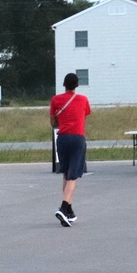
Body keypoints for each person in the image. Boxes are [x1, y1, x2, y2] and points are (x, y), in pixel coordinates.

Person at [50, 72, 91, 226]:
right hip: (77, 137)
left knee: (66, 174)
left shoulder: (56, 100)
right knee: (73, 176)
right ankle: (63, 207)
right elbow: (85, 114)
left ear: (64, 84)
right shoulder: (83, 100)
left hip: (62, 138)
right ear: (77, 85)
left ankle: (69, 210)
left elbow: (53, 122)